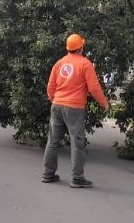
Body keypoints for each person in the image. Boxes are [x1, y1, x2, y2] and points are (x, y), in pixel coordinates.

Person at [42, 33, 109, 188]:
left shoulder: (59, 63)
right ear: (81, 47)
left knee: (52, 141)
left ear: (68, 48)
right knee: (77, 142)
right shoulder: (85, 64)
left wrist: (56, 101)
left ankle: (48, 174)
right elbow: (93, 87)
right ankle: (77, 178)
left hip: (57, 105)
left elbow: (50, 87)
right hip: (74, 108)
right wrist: (104, 103)